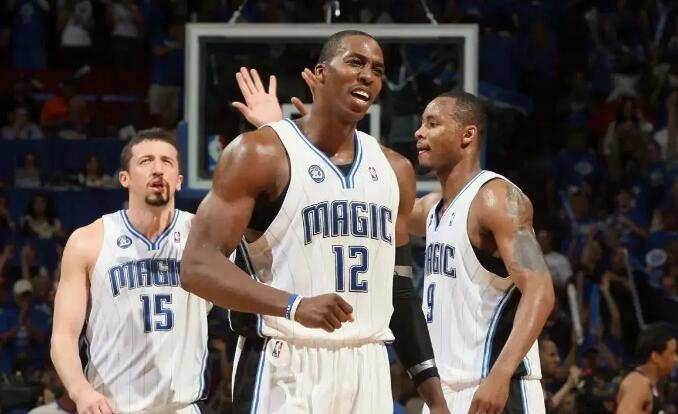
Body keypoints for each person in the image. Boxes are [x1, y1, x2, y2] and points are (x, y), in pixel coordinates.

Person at [181, 31, 448, 413]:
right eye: (355, 62)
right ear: (320, 74)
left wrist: (435, 398)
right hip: (284, 361)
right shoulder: (260, 154)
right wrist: (293, 305)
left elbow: (401, 290)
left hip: (368, 364)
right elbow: (197, 266)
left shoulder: (396, 170)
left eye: (377, 70)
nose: (368, 75)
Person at [408, 92, 555, 413]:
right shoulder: (432, 209)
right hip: (444, 392)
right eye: (421, 124)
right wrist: (338, 136)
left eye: (432, 123)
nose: (419, 132)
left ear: (468, 134)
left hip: (494, 386)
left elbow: (541, 291)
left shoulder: (496, 198)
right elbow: (381, 212)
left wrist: (500, 375)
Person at [51, 128, 210, 414]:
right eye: (146, 161)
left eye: (167, 162)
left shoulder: (204, 236)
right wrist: (80, 392)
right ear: (124, 178)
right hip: (112, 407)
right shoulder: (88, 240)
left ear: (179, 181)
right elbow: (63, 336)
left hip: (182, 407)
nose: (158, 169)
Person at [616, 323, 678, 414]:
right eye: (673, 353)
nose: (676, 359)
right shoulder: (638, 384)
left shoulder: (652, 385)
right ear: (655, 357)